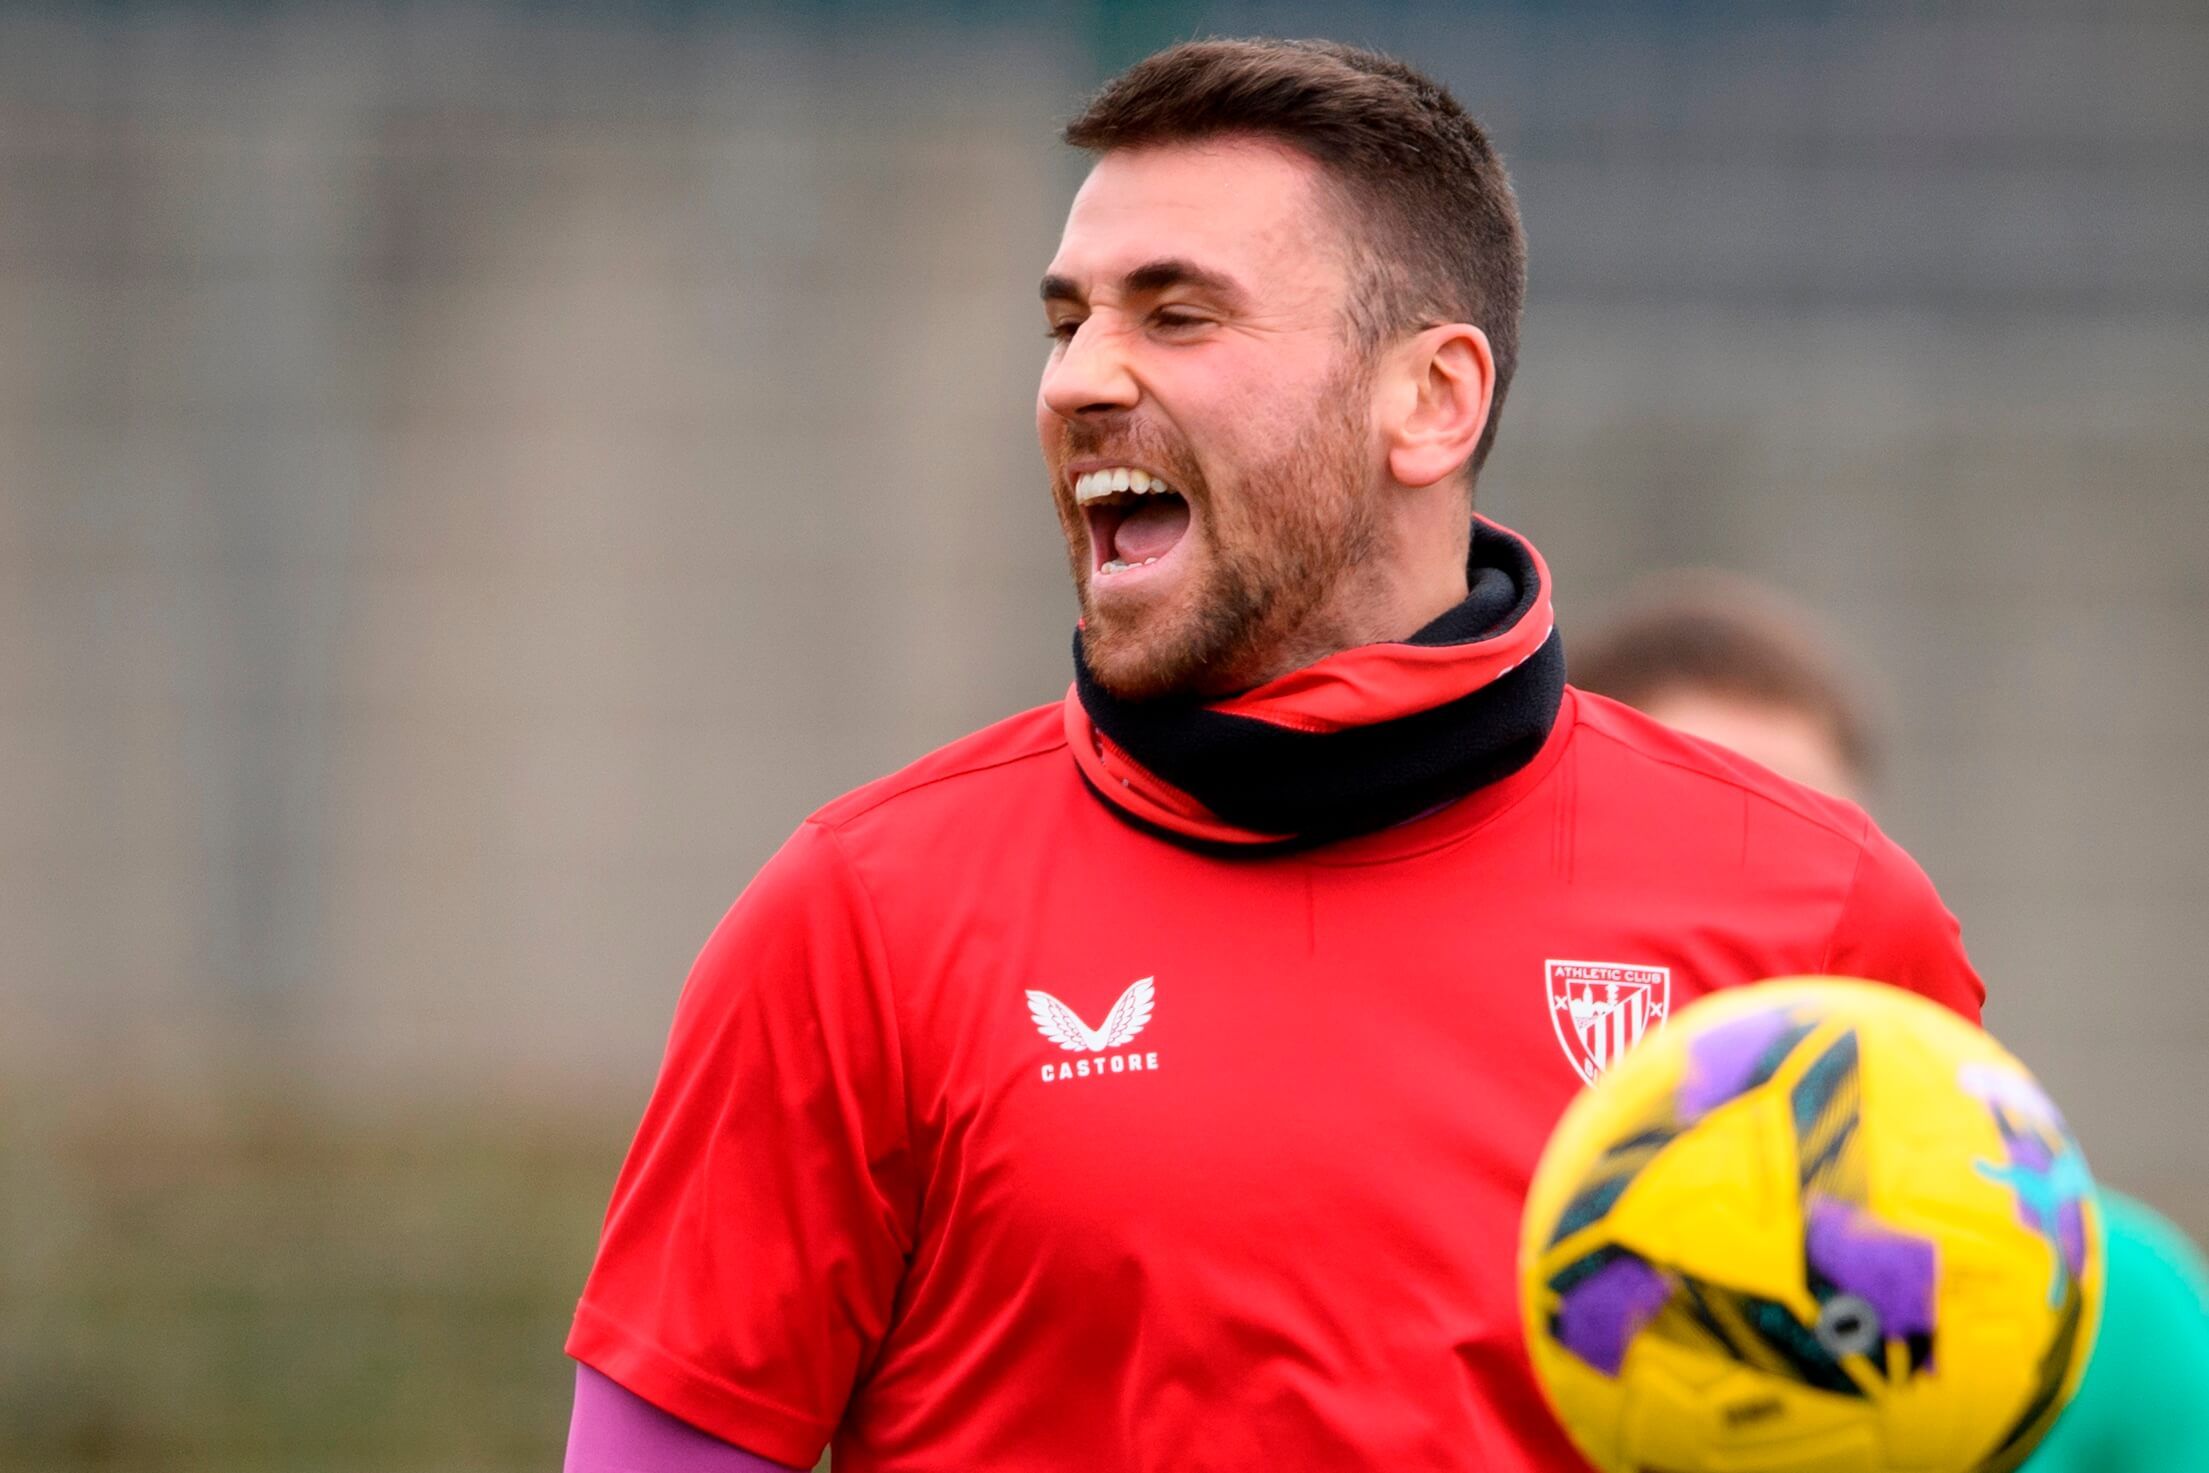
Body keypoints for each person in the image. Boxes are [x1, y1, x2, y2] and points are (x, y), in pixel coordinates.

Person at [563, 40, 1982, 1473]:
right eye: (1067, 324)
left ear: (1432, 399)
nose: (1078, 381)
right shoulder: (859, 917)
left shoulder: (1821, 919)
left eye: (1177, 316)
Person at [1575, 572, 2209, 1472]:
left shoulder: (2112, 1297)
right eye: (1693, 845)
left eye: (1802, 854)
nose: (1753, 916)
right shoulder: (1532, 1292)